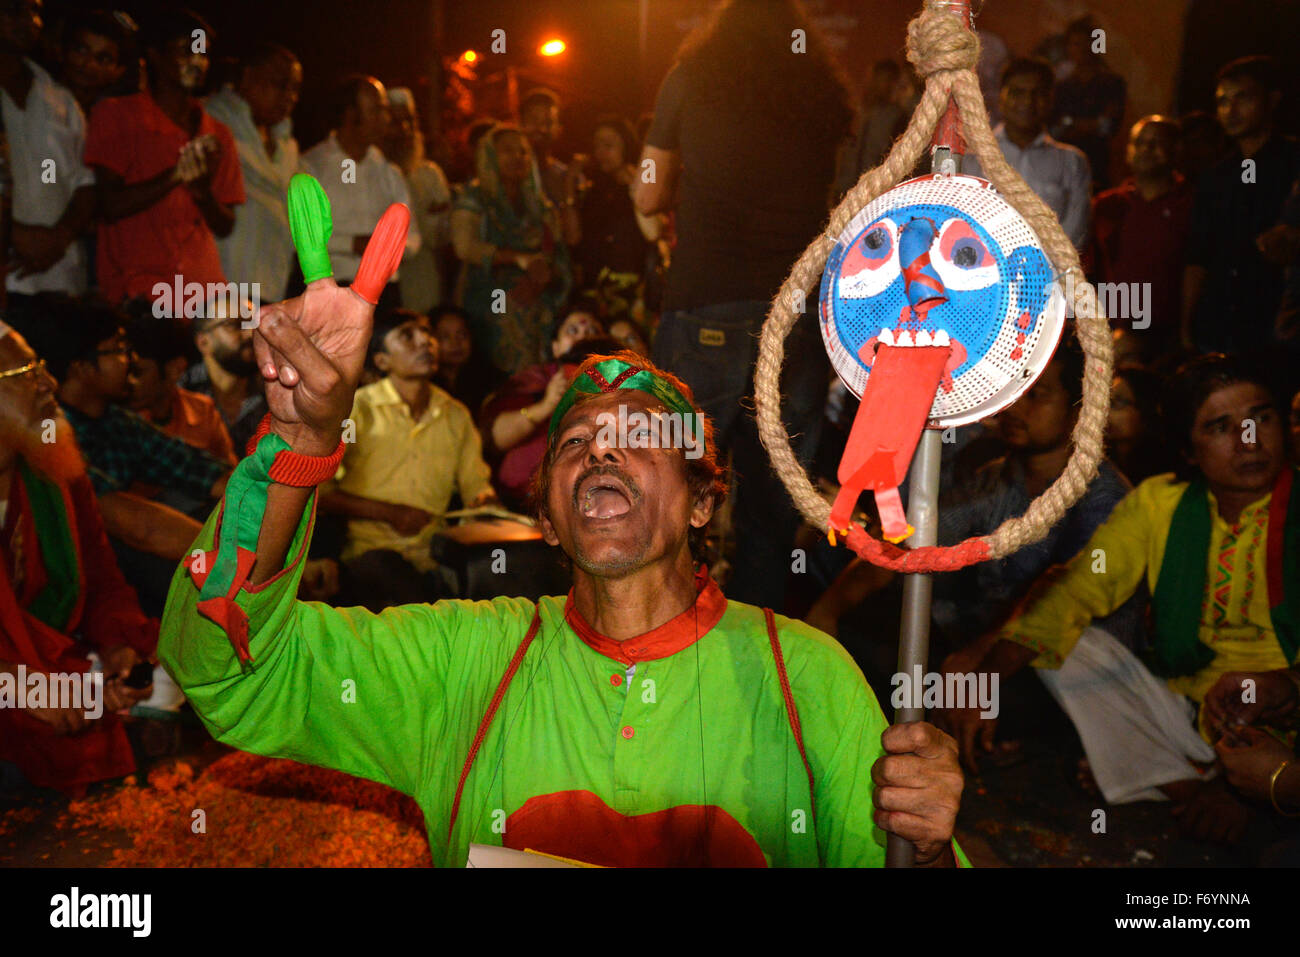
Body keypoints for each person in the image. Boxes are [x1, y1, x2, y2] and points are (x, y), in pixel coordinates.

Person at [156, 203, 967, 866]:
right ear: (545, 515)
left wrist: (923, 850)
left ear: (700, 502)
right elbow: (230, 677)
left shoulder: (808, 677)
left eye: (640, 436)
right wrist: (299, 445)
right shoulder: (461, 663)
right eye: (576, 442)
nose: (603, 448)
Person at [942, 354, 1296, 844]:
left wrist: (1282, 689)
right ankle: (1189, 780)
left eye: (1262, 417)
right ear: (1188, 451)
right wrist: (982, 682)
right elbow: (1076, 592)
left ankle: (1179, 781)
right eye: (1220, 426)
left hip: (1283, 715)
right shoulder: (1159, 503)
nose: (1249, 440)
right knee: (1068, 645)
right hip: (1183, 715)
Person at [637, 0, 853, 612]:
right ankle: (757, 649)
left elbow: (648, 191)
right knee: (771, 509)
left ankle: (661, 633)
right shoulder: (819, 91)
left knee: (672, 486)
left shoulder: (691, 78)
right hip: (797, 318)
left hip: (706, 305)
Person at [0, 322, 158, 795]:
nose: (48, 384)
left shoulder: (55, 467)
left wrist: (117, 647)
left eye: (42, 368)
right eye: (26, 373)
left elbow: (103, 581)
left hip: (56, 674)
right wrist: (14, 684)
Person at [319, 309, 494, 610]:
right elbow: (321, 493)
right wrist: (389, 513)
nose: (425, 342)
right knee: (404, 591)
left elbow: (475, 487)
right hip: (369, 554)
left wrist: (484, 503)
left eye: (427, 334)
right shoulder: (356, 411)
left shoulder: (455, 415)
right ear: (381, 360)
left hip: (435, 555)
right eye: (407, 335)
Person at [84, 9, 244, 305]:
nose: (197, 62)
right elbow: (109, 205)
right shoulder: (116, 114)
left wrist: (203, 194)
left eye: (203, 53)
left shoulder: (218, 134)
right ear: (155, 56)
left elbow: (225, 225)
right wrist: (175, 175)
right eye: (186, 51)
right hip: (138, 294)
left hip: (202, 295)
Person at [1182, 56, 1300, 355]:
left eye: (1242, 98)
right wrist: (1186, 324)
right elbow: (1199, 255)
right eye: (1222, 101)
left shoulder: (1293, 161)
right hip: (1220, 321)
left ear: (1271, 100)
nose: (1230, 111)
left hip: (1279, 320)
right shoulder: (1216, 176)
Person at [451, 123, 572, 374]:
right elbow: (465, 247)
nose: (518, 157)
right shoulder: (473, 198)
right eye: (508, 150)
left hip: (538, 302)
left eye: (523, 152)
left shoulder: (540, 205)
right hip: (489, 300)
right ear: (490, 156)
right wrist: (517, 259)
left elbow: (558, 252)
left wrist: (539, 277)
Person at [0, 0, 96, 310]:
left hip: (60, 279)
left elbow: (85, 182)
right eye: (15, 9)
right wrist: (15, 235)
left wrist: (60, 237)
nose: (29, 20)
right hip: (7, 280)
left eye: (36, 10)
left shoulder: (58, 98)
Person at [300, 74, 420, 300]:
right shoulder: (312, 166)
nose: (386, 118)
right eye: (376, 110)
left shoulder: (389, 172)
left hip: (384, 292)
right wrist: (352, 244)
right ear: (350, 114)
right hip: (331, 292)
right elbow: (300, 234)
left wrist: (386, 247)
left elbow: (413, 238)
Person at [479, 304, 608, 512]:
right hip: (521, 504)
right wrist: (546, 405)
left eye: (593, 331)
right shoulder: (533, 382)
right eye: (573, 331)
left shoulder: (618, 383)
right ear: (555, 347)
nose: (584, 337)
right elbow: (494, 439)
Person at [204, 41, 302, 303]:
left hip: (270, 287)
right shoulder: (212, 122)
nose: (289, 96)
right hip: (221, 286)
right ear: (248, 77)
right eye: (280, 84)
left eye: (294, 88)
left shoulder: (287, 144)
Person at [1089, 116, 1192, 356]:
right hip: (1113, 331)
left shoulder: (1190, 205)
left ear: (1175, 151)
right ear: (1128, 151)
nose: (1146, 149)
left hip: (1170, 334)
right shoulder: (1107, 205)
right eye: (1140, 143)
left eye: (1156, 143)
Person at [963, 57, 1091, 251]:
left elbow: (1076, 230)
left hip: (1052, 276)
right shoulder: (971, 157)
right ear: (1001, 97)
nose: (1027, 102)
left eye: (1037, 94)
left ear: (1050, 99)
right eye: (1017, 93)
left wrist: (1040, 268)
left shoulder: (1072, 162)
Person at [125, 309, 236, 466]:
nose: (129, 381)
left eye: (137, 372)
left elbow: (232, 478)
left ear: (174, 369)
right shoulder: (118, 421)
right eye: (125, 371)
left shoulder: (202, 412)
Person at [572, 115, 656, 320]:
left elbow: (653, 232)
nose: (600, 152)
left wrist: (634, 186)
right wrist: (569, 184)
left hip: (633, 296)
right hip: (595, 298)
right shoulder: (592, 191)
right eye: (596, 145)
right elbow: (573, 238)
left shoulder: (643, 180)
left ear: (627, 147)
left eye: (608, 145)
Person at [382, 87, 452, 315]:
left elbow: (443, 239)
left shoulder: (429, 175)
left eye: (409, 121)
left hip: (422, 278)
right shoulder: (366, 175)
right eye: (395, 121)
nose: (403, 130)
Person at [178, 295, 268, 454]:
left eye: (255, 324)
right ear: (203, 342)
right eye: (234, 325)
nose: (250, 334)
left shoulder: (273, 391)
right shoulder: (181, 392)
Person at [1050, 16, 1126, 190]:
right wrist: (1092, 123)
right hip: (1063, 168)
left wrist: (1070, 122)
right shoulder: (1061, 86)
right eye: (1076, 43)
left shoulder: (1112, 84)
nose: (1082, 49)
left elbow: (1108, 127)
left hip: (1097, 165)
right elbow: (1054, 128)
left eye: (1086, 43)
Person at [833, 59, 905, 200]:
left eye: (886, 80)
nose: (880, 85)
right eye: (876, 79)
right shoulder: (859, 113)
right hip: (846, 188)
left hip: (873, 192)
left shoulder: (896, 117)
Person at [1106, 365, 1176, 485]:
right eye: (1106, 401)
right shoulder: (1103, 463)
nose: (1106, 411)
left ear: (1146, 409)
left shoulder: (1164, 472)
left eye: (1117, 403)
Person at [54, 7, 131, 116]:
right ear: (61, 50)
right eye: (81, 51)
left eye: (103, 59)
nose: (89, 64)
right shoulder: (34, 96)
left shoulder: (114, 120)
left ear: (118, 71)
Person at [429, 304, 500, 418]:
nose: (455, 343)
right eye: (445, 337)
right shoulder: (425, 385)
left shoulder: (490, 379)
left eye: (462, 335)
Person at [519, 87, 568, 209]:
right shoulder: (501, 175)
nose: (541, 128)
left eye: (549, 122)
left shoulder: (568, 178)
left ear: (559, 129)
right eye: (533, 120)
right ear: (519, 123)